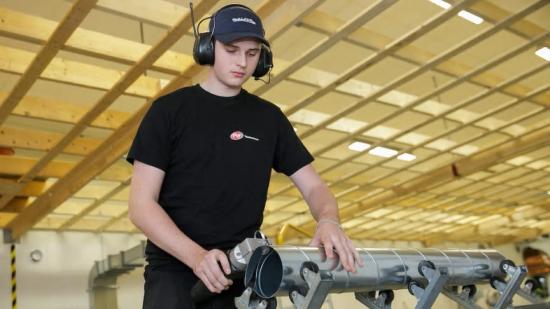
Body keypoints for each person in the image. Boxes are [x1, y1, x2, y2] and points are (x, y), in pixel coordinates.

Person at [127, 4, 363, 309]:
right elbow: (140, 205)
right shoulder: (169, 111)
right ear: (207, 47)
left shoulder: (269, 119)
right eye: (231, 49)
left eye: (252, 53)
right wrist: (196, 256)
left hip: (244, 274)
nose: (242, 62)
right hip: (175, 274)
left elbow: (314, 187)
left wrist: (329, 221)